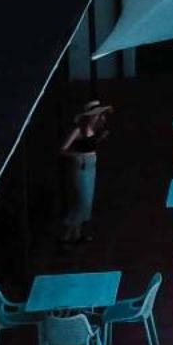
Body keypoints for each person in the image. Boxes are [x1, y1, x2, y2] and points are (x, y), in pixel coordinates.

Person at [59, 100, 112, 247]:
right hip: (81, 166)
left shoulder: (93, 130)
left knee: (85, 200)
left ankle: (75, 235)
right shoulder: (78, 131)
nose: (98, 117)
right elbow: (63, 150)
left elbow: (90, 145)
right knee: (84, 201)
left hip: (91, 166)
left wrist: (100, 139)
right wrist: (76, 155)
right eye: (96, 115)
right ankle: (67, 234)